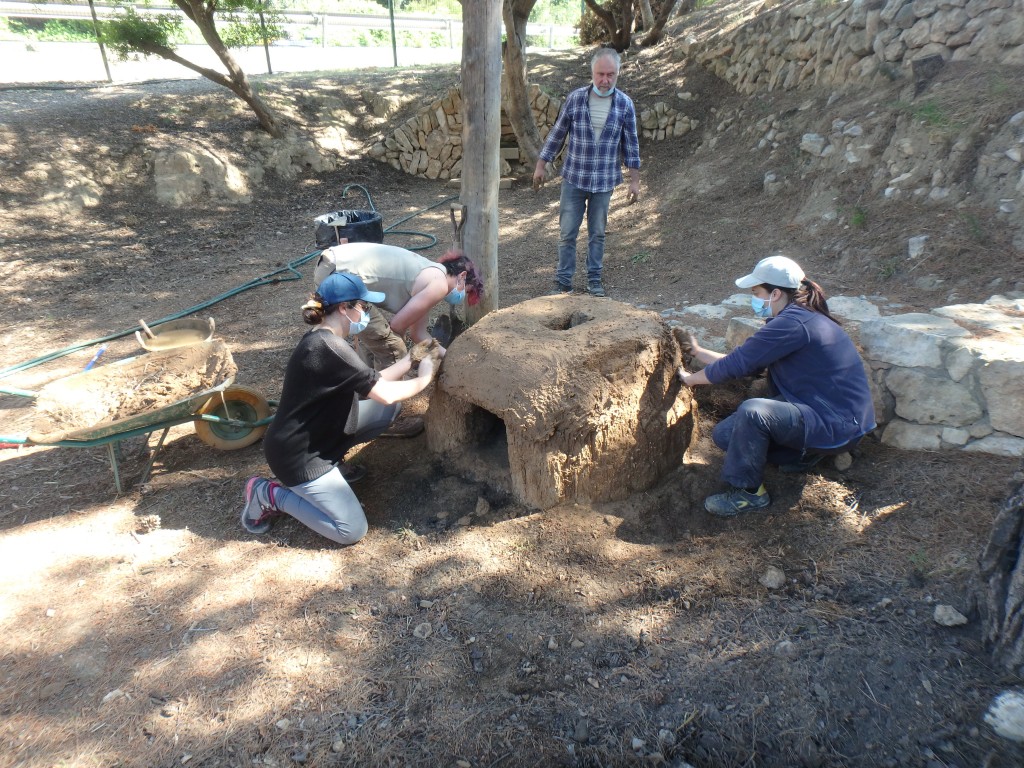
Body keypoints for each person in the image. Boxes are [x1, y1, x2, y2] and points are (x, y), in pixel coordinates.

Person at [240, 272, 437, 545]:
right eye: (363, 306)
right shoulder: (328, 348)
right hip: (299, 457)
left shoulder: (327, 339)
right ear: (344, 308)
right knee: (351, 530)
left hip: (319, 437)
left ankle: (336, 462)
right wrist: (424, 378)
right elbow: (385, 394)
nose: (366, 312)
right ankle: (269, 494)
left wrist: (410, 359)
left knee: (384, 414)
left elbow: (371, 380)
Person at [677, 255, 876, 518]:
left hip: (836, 423)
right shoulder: (802, 317)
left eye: (757, 292)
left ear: (776, 293)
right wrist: (699, 353)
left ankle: (749, 493)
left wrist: (690, 379)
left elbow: (737, 365)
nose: (755, 299)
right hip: (831, 414)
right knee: (725, 435)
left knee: (753, 411)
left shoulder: (791, 324)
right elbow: (743, 361)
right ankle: (803, 455)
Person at [313, 242, 482, 437]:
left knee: (377, 340)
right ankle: (385, 420)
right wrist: (406, 361)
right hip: (341, 276)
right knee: (392, 346)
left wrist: (450, 357)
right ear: (462, 276)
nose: (461, 296)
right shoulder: (439, 284)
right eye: (466, 290)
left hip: (332, 264)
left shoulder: (432, 274)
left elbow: (418, 334)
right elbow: (397, 326)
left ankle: (361, 402)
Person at [532, 47, 641, 299]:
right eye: (600, 74)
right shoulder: (576, 99)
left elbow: (631, 145)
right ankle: (563, 282)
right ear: (592, 72)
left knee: (598, 233)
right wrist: (541, 164)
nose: (605, 80)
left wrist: (634, 182)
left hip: (604, 181)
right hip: (574, 178)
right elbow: (557, 133)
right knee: (567, 232)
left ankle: (594, 281)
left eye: (610, 74)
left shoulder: (625, 104)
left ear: (617, 74)